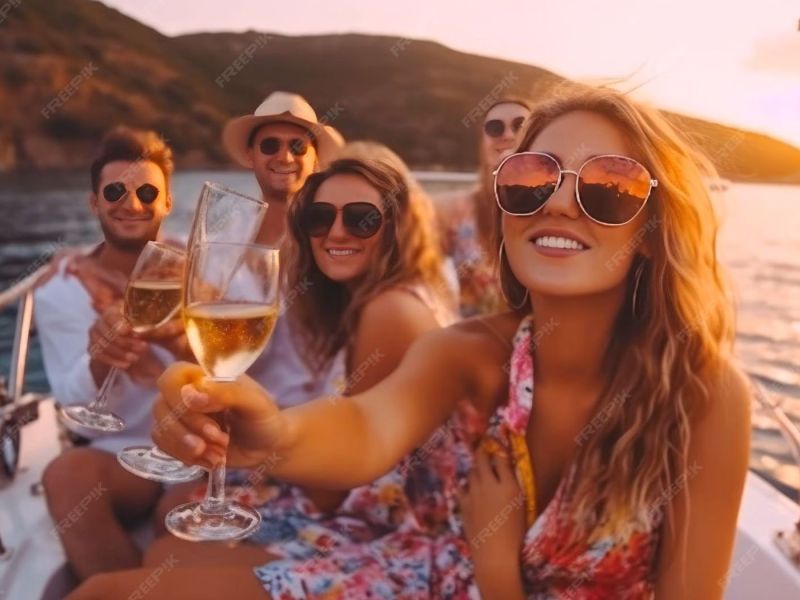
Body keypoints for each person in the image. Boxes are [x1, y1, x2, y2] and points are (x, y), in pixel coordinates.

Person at [74, 86, 751, 599]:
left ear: (655, 228)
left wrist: (498, 572)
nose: (558, 203)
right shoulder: (472, 351)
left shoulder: (702, 396)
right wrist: (271, 434)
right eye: (532, 178)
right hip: (428, 570)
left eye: (609, 187)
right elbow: (366, 424)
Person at [146, 155, 456, 563]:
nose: (336, 231)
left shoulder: (391, 312)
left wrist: (258, 449)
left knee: (165, 553)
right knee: (172, 509)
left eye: (362, 218)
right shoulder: (366, 300)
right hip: (352, 497)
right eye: (319, 218)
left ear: (396, 226)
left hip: (386, 526)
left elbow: (335, 486)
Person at [35, 127, 188, 581]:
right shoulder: (62, 291)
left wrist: (175, 341)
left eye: (147, 192)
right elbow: (77, 415)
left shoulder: (198, 272)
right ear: (94, 202)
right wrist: (102, 355)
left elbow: (235, 370)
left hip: (197, 449)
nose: (132, 203)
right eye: (116, 191)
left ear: (167, 204)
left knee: (176, 521)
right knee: (65, 477)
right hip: (123, 450)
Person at [435, 97, 531, 317]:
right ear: (483, 142)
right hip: (473, 344)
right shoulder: (454, 211)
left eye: (520, 125)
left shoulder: (555, 205)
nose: (507, 134)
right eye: (494, 128)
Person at [221, 90, 345, 246]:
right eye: (270, 146)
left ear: (316, 160)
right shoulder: (226, 233)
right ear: (250, 155)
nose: (285, 158)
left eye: (298, 146)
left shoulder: (335, 236)